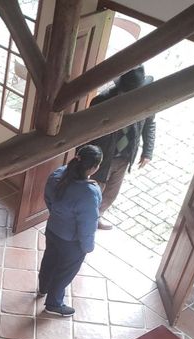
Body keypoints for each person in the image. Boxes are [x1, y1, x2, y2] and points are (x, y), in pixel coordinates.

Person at [37, 145, 103, 317]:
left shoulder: (58, 174)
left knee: (49, 259)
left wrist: (56, 215)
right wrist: (87, 247)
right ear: (94, 167)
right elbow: (88, 224)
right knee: (65, 271)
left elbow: (48, 199)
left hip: (53, 229)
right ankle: (54, 304)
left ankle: (43, 287)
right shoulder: (89, 192)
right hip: (71, 241)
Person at [88, 65, 156, 230]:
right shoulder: (102, 100)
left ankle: (96, 217)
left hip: (125, 156)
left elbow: (150, 124)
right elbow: (86, 131)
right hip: (104, 156)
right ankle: (86, 222)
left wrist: (147, 152)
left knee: (111, 193)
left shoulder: (146, 100)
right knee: (94, 192)